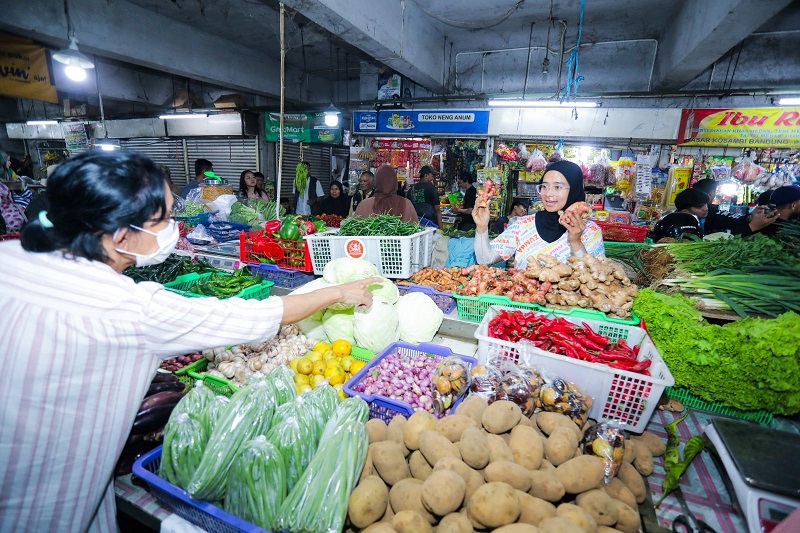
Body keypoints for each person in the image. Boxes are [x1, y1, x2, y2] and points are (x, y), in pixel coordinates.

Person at [0, 150, 377, 532]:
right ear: (120, 234)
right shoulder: (130, 309)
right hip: (48, 512)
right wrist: (339, 293)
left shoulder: (8, 258)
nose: (173, 226)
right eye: (163, 218)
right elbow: (255, 316)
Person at [473, 160, 604, 269]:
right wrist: (481, 227)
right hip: (524, 299)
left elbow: (596, 280)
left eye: (557, 187)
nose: (548, 193)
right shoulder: (523, 224)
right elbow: (485, 259)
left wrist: (575, 242)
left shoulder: (590, 231)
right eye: (544, 186)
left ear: (574, 190)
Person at [692, 178, 776, 236]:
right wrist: (752, 226)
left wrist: (749, 218)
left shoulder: (713, 211)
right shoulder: (707, 214)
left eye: (705, 205)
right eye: (700, 206)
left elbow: (730, 220)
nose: (705, 208)